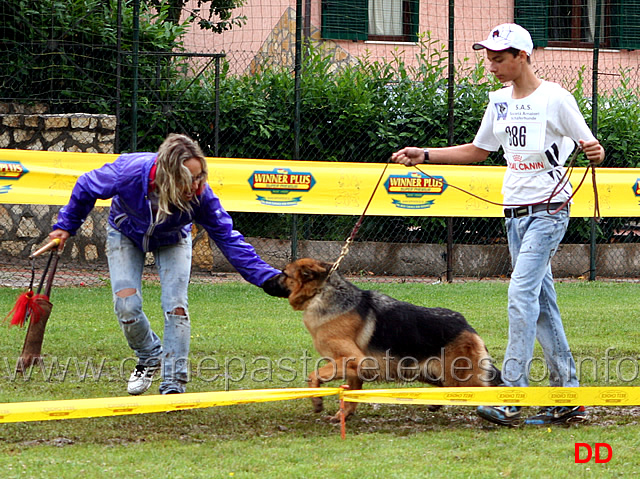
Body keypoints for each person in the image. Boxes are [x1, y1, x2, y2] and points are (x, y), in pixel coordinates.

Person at [391, 23, 604, 426]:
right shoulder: (499, 102)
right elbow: (478, 150)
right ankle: (569, 395)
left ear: (522, 56)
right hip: (513, 213)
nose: (490, 65)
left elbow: (591, 148)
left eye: (498, 58)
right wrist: (426, 154)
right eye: (488, 57)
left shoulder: (557, 98)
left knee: (519, 296)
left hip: (550, 211)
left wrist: (595, 150)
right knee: (541, 305)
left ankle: (510, 395)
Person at [50, 133, 287, 395]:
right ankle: (149, 354)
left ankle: (173, 384)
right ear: (168, 175)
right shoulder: (128, 172)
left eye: (200, 177)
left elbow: (229, 239)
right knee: (127, 305)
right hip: (125, 233)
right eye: (189, 179)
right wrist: (65, 227)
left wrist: (267, 278)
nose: (197, 186)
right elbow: (86, 185)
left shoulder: (202, 197)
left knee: (176, 307)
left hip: (174, 238)